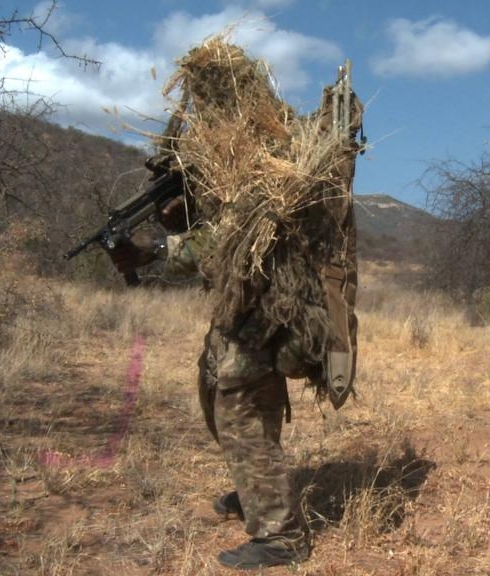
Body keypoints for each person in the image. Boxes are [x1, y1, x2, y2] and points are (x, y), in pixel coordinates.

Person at [107, 46, 362, 569]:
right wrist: (177, 210)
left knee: (242, 405)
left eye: (209, 93)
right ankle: (255, 492)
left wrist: (153, 251)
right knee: (213, 390)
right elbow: (203, 224)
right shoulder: (225, 153)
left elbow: (234, 243)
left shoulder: (264, 150)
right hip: (238, 304)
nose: (202, 105)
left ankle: (280, 535)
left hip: (270, 302)